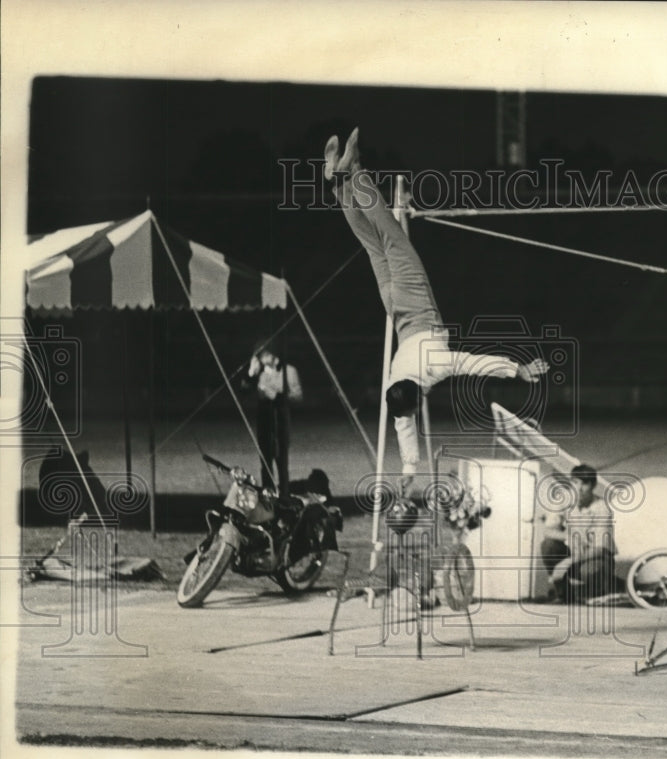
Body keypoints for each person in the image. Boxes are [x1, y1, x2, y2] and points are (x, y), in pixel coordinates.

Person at [324, 128, 549, 493]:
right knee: (371, 244)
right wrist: (409, 468)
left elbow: (473, 363)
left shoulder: (432, 367)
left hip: (413, 304)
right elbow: (403, 425)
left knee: (389, 231)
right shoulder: (395, 384)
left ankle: (355, 172)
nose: (411, 417)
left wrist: (518, 370)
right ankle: (337, 184)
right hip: (393, 307)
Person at [540, 464, 616, 603]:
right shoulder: (564, 500)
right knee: (549, 545)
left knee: (590, 570)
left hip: (596, 558)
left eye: (585, 484)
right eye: (575, 482)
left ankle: (598, 592)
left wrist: (566, 563)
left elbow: (600, 549)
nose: (579, 489)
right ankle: (563, 595)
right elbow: (547, 530)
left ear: (593, 486)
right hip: (575, 554)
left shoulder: (602, 508)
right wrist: (568, 537)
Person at [246, 340, 303, 496]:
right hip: (264, 420)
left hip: (281, 420)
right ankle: (268, 495)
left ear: (271, 354)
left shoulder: (288, 371)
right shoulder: (260, 373)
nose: (262, 361)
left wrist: (276, 395)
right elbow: (243, 390)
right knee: (265, 462)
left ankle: (284, 495)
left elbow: (297, 397)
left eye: (262, 356)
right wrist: (251, 373)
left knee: (281, 462)